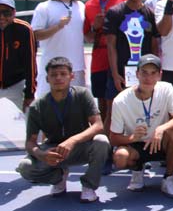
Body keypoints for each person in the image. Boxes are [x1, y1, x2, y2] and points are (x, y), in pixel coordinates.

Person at [16, 56, 110, 202]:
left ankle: (89, 186)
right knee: (25, 167)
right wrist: (41, 154)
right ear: (47, 79)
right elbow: (30, 142)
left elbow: (98, 125)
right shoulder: (37, 106)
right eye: (53, 75)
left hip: (81, 147)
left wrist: (72, 141)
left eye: (63, 74)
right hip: (53, 151)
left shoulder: (82, 94)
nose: (58, 78)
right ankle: (58, 176)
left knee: (102, 141)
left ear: (71, 76)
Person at [110, 54, 173, 198]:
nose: (148, 78)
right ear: (137, 74)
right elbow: (113, 139)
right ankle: (137, 170)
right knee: (120, 157)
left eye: (153, 73)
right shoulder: (120, 101)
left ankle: (169, 177)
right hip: (135, 144)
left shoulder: (167, 88)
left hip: (159, 142)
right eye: (144, 73)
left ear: (160, 75)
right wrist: (132, 138)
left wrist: (161, 129)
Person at [84, 0, 129, 123]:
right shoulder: (89, 5)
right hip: (100, 59)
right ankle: (104, 138)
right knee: (102, 102)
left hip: (121, 55)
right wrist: (95, 28)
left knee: (125, 97)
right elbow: (87, 37)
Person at [31, 0, 86, 96]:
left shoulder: (82, 6)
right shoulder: (44, 7)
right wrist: (58, 27)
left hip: (76, 68)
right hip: (52, 68)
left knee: (76, 109)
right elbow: (35, 35)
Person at [104, 0, 159, 101]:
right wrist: (115, 75)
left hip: (144, 73)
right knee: (113, 111)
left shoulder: (150, 14)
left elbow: (154, 46)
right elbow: (111, 45)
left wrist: (154, 72)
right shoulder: (115, 12)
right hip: (121, 72)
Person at [0, 0, 36, 110]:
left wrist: (30, 93)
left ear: (14, 12)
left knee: (21, 123)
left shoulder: (24, 29)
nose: (1, 17)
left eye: (6, 13)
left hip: (16, 85)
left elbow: (30, 63)